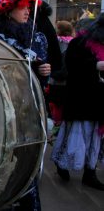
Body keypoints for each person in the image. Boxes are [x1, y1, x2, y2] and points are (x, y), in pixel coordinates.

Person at [0, 0, 51, 211]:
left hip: (30, 108)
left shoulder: (38, 37)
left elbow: (43, 76)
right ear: (8, 10)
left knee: (28, 165)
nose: (27, 12)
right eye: (23, 7)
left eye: (29, 8)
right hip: (2, 108)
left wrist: (45, 71)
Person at [51, 13, 104, 191]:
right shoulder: (78, 43)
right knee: (75, 135)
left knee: (94, 139)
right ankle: (63, 164)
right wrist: (95, 66)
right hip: (81, 99)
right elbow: (72, 67)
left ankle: (90, 174)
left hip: (99, 101)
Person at [48, 21, 74, 128]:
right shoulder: (73, 43)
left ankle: (56, 129)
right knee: (61, 108)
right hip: (66, 83)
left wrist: (50, 73)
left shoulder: (58, 44)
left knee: (56, 108)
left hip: (57, 82)